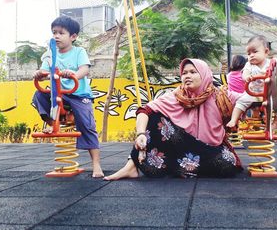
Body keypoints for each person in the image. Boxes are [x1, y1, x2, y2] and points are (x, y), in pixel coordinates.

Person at [103, 58, 243, 181]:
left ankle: (182, 169)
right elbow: (144, 110)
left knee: (228, 163)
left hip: (209, 150)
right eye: (184, 73)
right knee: (153, 117)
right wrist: (140, 134)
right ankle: (131, 166)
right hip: (184, 147)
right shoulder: (177, 95)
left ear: (205, 74)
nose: (187, 76)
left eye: (193, 72)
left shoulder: (221, 96)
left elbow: (249, 99)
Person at [32, 16, 104, 178]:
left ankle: (96, 164)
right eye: (54, 33)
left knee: (87, 125)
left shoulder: (79, 52)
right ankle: (51, 122)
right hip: (58, 94)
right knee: (39, 95)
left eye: (61, 33)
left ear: (73, 36)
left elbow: (84, 69)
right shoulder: (50, 54)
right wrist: (39, 74)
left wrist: (73, 75)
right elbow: (44, 73)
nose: (56, 36)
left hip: (79, 95)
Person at [226, 35, 277, 130]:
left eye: (255, 52)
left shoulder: (270, 63)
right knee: (240, 101)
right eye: (248, 53)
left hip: (269, 94)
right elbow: (244, 74)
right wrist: (247, 77)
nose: (251, 55)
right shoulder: (249, 65)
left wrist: (273, 72)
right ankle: (233, 120)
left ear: (266, 52)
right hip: (253, 93)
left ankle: (275, 124)